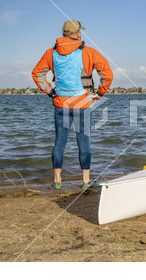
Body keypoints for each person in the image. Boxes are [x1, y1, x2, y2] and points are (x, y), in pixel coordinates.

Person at [32, 20, 113, 190]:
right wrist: (99, 93)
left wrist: (51, 92)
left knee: (59, 142)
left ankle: (57, 180)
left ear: (63, 34)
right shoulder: (88, 52)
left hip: (61, 104)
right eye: (80, 32)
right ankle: (85, 181)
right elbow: (107, 73)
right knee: (83, 142)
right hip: (83, 104)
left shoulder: (51, 53)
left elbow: (37, 74)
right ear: (77, 34)